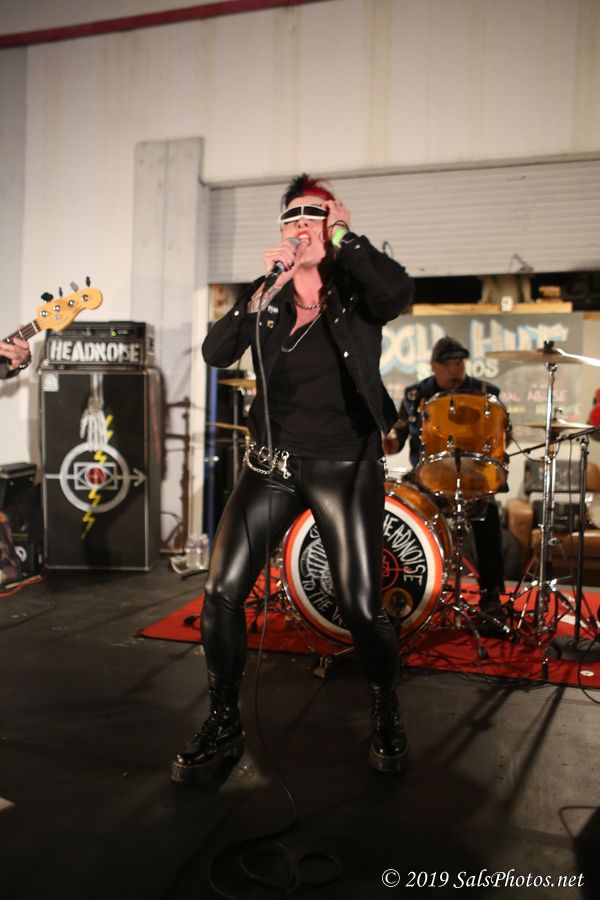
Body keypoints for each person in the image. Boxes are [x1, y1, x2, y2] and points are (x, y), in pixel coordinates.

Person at [171, 174, 414, 783]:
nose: (302, 225)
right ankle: (223, 721)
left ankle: (385, 711)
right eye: (293, 217)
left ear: (332, 223)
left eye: (315, 215)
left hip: (344, 464)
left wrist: (348, 236)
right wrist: (262, 290)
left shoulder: (356, 289)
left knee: (360, 606)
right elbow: (215, 352)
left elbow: (397, 292)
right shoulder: (270, 296)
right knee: (221, 592)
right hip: (271, 464)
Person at [383, 335, 508, 628]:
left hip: (472, 478)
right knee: (400, 512)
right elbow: (397, 437)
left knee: (489, 515)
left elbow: (501, 435)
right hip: (427, 478)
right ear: (433, 366)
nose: (455, 369)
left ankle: (491, 596)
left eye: (459, 363)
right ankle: (406, 588)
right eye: (448, 364)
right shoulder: (414, 395)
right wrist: (387, 442)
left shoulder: (484, 393)